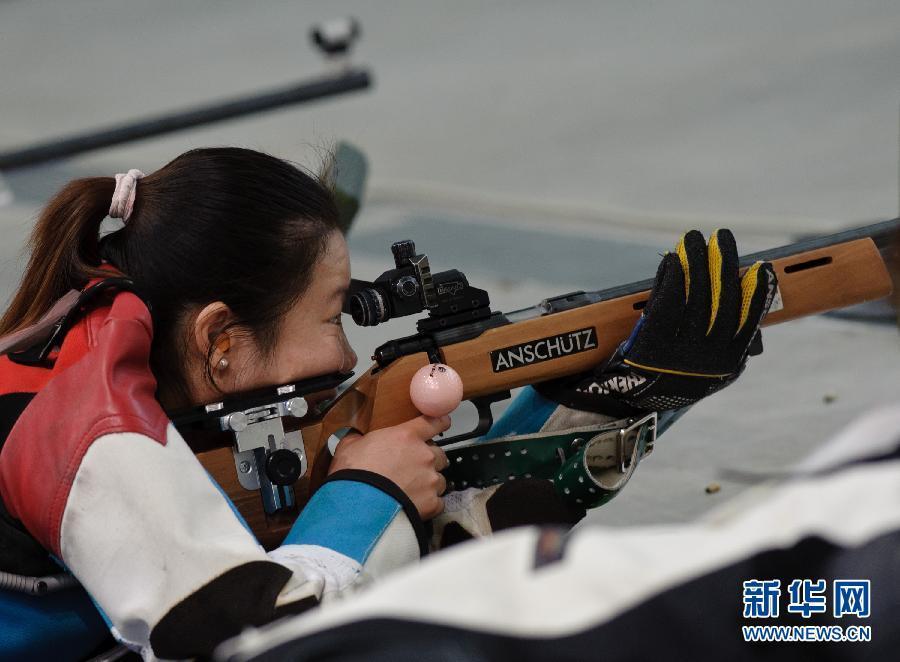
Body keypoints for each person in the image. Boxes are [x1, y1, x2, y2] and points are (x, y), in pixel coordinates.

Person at [0, 148, 773, 660]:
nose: (343, 356)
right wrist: (368, 498)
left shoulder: (116, 367)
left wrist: (635, 389)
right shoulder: (96, 428)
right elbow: (248, 635)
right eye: (333, 314)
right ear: (220, 340)